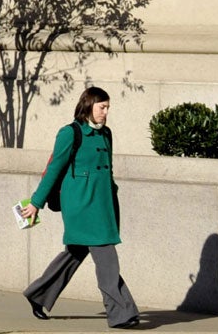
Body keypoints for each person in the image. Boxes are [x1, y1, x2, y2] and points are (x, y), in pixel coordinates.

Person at [18, 85, 142, 328]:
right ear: (89, 105)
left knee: (73, 254)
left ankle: (38, 294)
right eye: (101, 107)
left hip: (102, 203)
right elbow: (54, 169)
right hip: (82, 206)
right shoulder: (70, 133)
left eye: (108, 108)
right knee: (107, 259)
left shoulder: (106, 134)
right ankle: (122, 313)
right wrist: (35, 203)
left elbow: (109, 170)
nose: (105, 112)